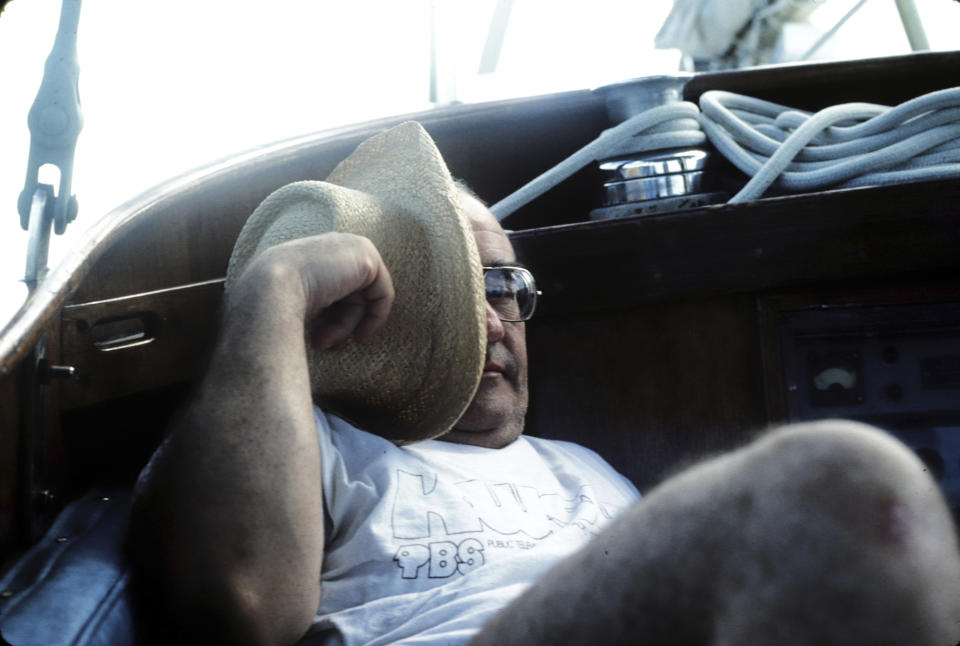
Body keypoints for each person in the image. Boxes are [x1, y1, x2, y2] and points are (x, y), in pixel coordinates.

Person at [130, 123, 960, 646]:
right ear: (371, 316)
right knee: (842, 487)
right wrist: (272, 296)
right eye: (456, 295)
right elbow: (233, 618)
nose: (495, 321)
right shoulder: (299, 446)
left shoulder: (585, 468)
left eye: (505, 287)